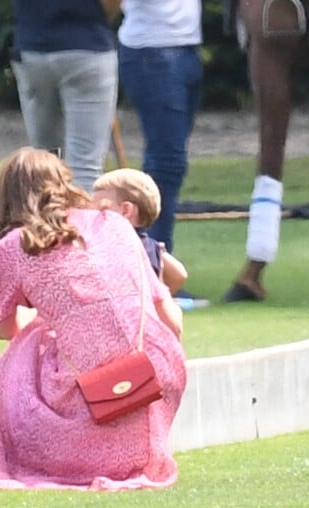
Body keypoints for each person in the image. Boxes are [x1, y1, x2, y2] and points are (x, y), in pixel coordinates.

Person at [0, 147, 187, 491]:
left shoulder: (9, 249)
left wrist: (51, 316)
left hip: (87, 398)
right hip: (153, 376)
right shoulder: (111, 222)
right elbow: (160, 304)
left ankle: (24, 457)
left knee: (26, 346)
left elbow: (6, 330)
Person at [117, 0, 204, 301]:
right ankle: (153, 273)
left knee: (165, 162)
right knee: (167, 163)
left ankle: (147, 265)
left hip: (185, 47)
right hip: (151, 51)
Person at [8, 0, 121, 193]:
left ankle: (47, 220)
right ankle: (79, 222)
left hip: (32, 48)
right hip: (87, 47)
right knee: (85, 165)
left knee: (45, 161)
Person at [92, 167, 188, 294]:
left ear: (126, 210)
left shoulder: (111, 247)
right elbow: (180, 275)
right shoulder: (152, 247)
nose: (93, 216)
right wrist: (159, 297)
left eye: (100, 209)